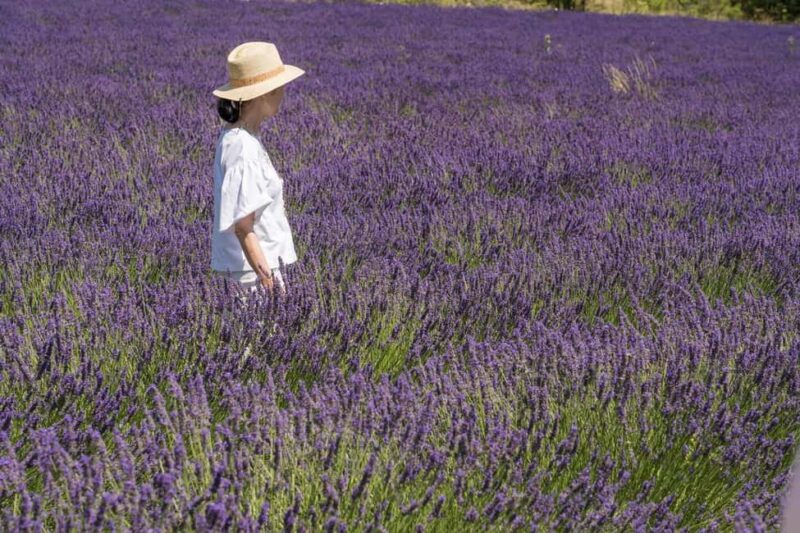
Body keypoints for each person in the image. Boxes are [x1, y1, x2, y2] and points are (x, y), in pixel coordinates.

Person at [210, 41, 305, 307]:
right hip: (253, 278)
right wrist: (270, 284)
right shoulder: (242, 147)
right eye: (281, 87)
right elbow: (243, 227)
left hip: (253, 271)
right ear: (266, 93)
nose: (284, 93)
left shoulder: (237, 137)